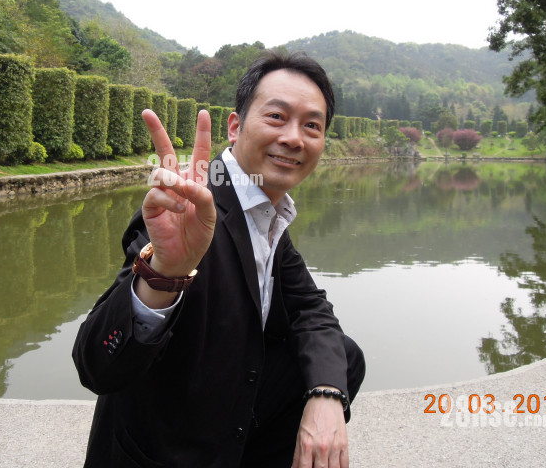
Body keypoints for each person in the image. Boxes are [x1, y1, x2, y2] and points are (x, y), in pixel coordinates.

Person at [73, 50, 365, 468]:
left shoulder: (266, 210)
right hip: (164, 447)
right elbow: (96, 367)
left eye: (312, 125)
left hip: (226, 403)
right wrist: (165, 273)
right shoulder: (187, 205)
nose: (294, 138)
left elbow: (310, 307)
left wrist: (326, 394)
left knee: (342, 359)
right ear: (235, 126)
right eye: (277, 117)